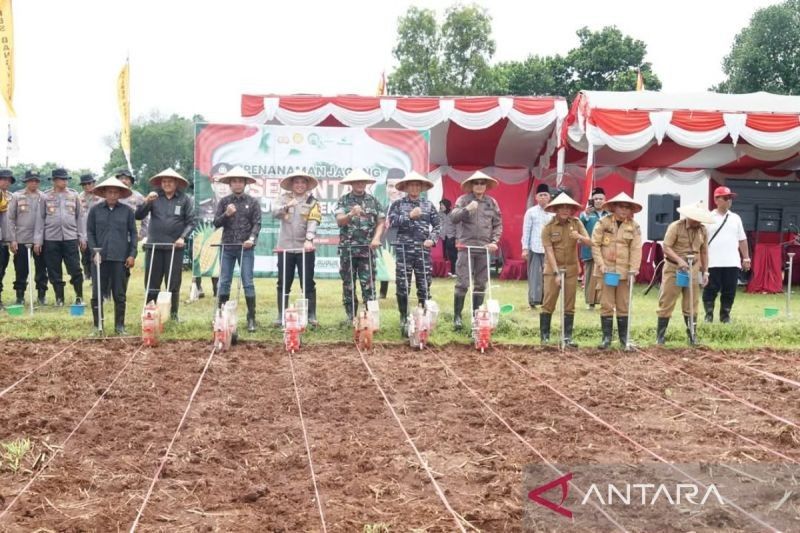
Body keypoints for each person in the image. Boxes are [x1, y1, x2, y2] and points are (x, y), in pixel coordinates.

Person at [136, 168, 196, 321]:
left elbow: (191, 222)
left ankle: (173, 315)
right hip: (154, 246)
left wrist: (182, 237)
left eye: (170, 181)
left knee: (173, 282)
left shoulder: (185, 199)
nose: (167, 184)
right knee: (152, 282)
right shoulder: (154, 197)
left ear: (176, 183)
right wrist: (146, 201)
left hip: (174, 247)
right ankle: (150, 313)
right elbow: (138, 215)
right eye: (164, 181)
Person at [387, 172, 441, 336]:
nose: (415, 188)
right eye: (411, 185)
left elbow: (438, 226)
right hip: (403, 249)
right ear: (406, 187)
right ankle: (404, 317)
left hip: (422, 250)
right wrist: (409, 216)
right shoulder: (398, 204)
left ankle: (423, 317)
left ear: (422, 188)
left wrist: (432, 239)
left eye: (418, 185)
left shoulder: (428, 205)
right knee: (403, 285)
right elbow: (392, 223)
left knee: (424, 284)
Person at [450, 171, 502, 330]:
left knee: (481, 284)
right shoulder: (463, 200)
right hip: (466, 247)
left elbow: (498, 224)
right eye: (476, 183)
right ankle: (457, 317)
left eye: (482, 183)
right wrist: (467, 209)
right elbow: (453, 217)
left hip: (484, 248)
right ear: (471, 185)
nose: (479, 186)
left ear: (486, 186)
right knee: (463, 283)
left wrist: (494, 241)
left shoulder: (491, 202)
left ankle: (476, 315)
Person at [656, 201, 713, 346]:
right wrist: (679, 261)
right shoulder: (675, 227)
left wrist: (705, 271)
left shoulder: (703, 230)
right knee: (667, 301)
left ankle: (692, 336)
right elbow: (666, 247)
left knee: (692, 303)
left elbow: (704, 251)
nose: (697, 221)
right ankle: (660, 337)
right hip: (673, 268)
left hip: (693, 269)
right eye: (695, 218)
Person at [591, 192, 642, 349]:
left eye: (627, 207)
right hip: (605, 270)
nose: (624, 210)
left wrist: (634, 270)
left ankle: (624, 339)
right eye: (621, 206)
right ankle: (606, 339)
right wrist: (600, 264)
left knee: (623, 305)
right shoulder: (603, 223)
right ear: (614, 207)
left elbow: (636, 249)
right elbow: (595, 244)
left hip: (624, 272)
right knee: (606, 304)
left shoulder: (634, 226)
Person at [213, 166, 262, 332]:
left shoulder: (252, 202)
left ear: (245, 183)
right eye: (234, 181)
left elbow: (257, 223)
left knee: (248, 282)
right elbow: (216, 223)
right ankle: (221, 317)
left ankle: (251, 318)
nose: (237, 184)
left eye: (240, 181)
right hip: (227, 247)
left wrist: (252, 239)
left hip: (245, 248)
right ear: (230, 184)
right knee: (224, 282)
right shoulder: (224, 202)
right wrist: (226, 214)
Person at [86, 177, 137, 334]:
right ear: (104, 193)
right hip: (99, 258)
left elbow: (133, 234)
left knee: (119, 293)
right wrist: (94, 251)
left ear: (120, 194)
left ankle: (119, 326)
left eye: (116, 192)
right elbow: (90, 232)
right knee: (97, 293)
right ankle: (97, 326)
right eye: (110, 192)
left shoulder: (127, 211)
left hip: (120, 258)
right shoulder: (95, 210)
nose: (113, 195)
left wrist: (132, 254)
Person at [271, 171, 321, 328]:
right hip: (285, 247)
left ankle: (311, 315)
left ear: (306, 185)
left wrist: (309, 239)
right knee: (283, 282)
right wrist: (287, 206)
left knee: (307, 282)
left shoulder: (312, 201)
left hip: (305, 248)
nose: (300, 185)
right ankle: (281, 315)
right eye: (297, 182)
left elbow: (314, 221)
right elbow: (274, 213)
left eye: (303, 182)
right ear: (292, 184)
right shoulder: (283, 198)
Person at [540, 193, 592, 346]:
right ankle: (545, 337)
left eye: (568, 207)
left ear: (571, 210)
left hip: (571, 269)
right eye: (561, 207)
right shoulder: (548, 228)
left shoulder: (576, 223)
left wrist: (579, 237)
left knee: (569, 303)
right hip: (552, 269)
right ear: (555, 209)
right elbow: (549, 251)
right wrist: (556, 273)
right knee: (549, 301)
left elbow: (590, 242)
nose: (565, 210)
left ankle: (567, 337)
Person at [335, 168, 385, 322]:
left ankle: (370, 317)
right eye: (356, 181)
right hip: (347, 250)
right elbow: (339, 221)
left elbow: (381, 222)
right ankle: (350, 317)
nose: (360, 184)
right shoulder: (343, 200)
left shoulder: (373, 201)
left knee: (369, 285)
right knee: (348, 284)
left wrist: (376, 238)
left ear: (366, 183)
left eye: (362, 181)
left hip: (367, 250)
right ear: (351, 183)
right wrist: (350, 214)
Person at [35, 168, 85, 307]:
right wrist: (38, 240)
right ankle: (59, 298)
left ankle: (79, 296)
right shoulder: (45, 197)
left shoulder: (74, 196)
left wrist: (82, 237)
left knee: (75, 268)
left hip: (70, 238)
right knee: (54, 270)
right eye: (62, 179)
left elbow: (80, 218)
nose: (65, 182)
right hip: (51, 239)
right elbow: (40, 220)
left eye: (66, 179)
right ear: (55, 180)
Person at [703, 186, 750, 323]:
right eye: (726, 198)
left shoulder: (735, 218)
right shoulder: (708, 218)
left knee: (729, 291)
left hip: (732, 261)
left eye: (730, 198)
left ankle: (725, 316)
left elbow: (742, 239)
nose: (729, 200)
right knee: (710, 290)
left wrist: (746, 257)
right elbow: (702, 241)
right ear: (716, 200)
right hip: (713, 261)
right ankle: (709, 314)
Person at [8, 170, 48, 305]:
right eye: (31, 180)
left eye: (36, 181)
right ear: (26, 182)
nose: (34, 183)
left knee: (41, 269)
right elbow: (10, 219)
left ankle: (41, 295)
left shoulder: (44, 197)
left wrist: (40, 240)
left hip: (40, 239)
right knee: (21, 269)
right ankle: (20, 296)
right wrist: (12, 239)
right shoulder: (17, 196)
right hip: (21, 239)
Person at [521, 183, 553, 309]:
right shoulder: (531, 212)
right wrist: (524, 248)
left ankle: (546, 300)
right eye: (541, 195)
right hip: (534, 248)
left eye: (545, 195)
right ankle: (534, 301)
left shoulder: (553, 213)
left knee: (549, 276)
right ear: (536, 197)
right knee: (535, 276)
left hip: (550, 249)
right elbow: (526, 231)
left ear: (549, 197)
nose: (543, 197)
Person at [580, 187, 609, 310]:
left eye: (600, 198)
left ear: (605, 200)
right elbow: (579, 226)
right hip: (589, 250)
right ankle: (590, 303)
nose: (598, 201)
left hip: (606, 251)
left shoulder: (609, 214)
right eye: (595, 199)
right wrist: (585, 214)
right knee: (591, 277)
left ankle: (604, 301)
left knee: (604, 276)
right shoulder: (586, 214)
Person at [77, 173, 100, 280]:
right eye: (84, 184)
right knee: (84, 254)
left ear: (94, 183)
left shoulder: (101, 195)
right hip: (84, 230)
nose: (87, 186)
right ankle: (87, 274)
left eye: (89, 183)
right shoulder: (79, 197)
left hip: (97, 230)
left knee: (95, 253)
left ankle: (96, 276)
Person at [0, 169, 13, 309]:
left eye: (8, 180)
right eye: (3, 179)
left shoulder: (10, 196)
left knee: (2, 268)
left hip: (4, 238)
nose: (6, 182)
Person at [439, 199, 457, 277]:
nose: (441, 206)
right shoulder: (440, 213)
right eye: (440, 205)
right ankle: (449, 271)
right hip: (443, 236)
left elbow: (458, 225)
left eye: (442, 205)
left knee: (453, 255)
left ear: (446, 205)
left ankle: (455, 271)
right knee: (446, 255)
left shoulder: (453, 213)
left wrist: (456, 237)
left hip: (452, 236)